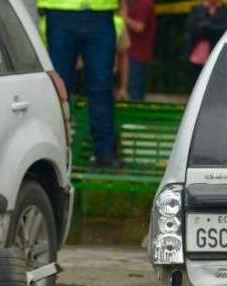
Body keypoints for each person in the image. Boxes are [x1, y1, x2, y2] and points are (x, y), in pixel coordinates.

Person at [38, 0, 121, 167]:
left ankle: (105, 152)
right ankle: (55, 152)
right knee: (59, 89)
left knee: (101, 86)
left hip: (99, 13)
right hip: (61, 12)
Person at [184, 0, 227, 85]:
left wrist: (206, 26)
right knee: (198, 83)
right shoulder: (196, 10)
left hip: (220, 54)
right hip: (198, 56)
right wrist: (214, 27)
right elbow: (192, 30)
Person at [118, 0, 157, 101]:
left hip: (137, 56)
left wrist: (123, 17)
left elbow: (139, 27)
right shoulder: (135, 4)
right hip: (131, 54)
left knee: (134, 93)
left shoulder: (144, 4)